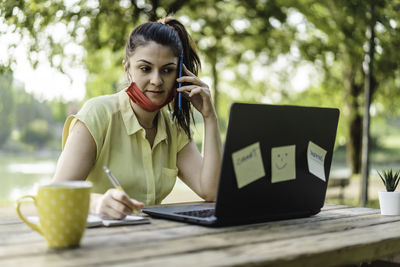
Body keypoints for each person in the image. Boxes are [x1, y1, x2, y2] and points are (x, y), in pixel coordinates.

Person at [52, 17, 222, 219]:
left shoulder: (174, 128)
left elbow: (211, 191)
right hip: (95, 241)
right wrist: (97, 203)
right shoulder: (97, 113)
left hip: (150, 240)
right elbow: (56, 193)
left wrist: (210, 116)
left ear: (179, 73)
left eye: (167, 70)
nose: (157, 80)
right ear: (128, 69)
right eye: (145, 68)